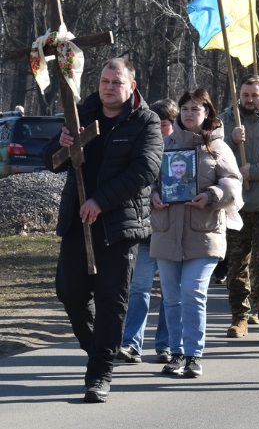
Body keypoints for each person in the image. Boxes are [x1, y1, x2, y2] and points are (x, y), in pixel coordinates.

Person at [42, 58, 163, 403]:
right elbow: (49, 161)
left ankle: (99, 373)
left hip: (119, 225)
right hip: (77, 221)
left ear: (131, 86)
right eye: (105, 81)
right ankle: (98, 348)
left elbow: (145, 171)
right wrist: (62, 144)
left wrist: (100, 200)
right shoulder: (80, 114)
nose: (110, 87)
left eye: (117, 82)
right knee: (70, 294)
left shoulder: (145, 121)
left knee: (112, 300)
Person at [151, 88, 242, 379]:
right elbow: (148, 180)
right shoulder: (163, 144)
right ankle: (176, 353)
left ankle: (193, 355)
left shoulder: (218, 147)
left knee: (192, 292)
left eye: (196, 109)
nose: (189, 114)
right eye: (185, 108)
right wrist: (153, 195)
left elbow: (233, 185)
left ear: (207, 113)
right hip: (167, 232)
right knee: (171, 297)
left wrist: (212, 195)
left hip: (204, 234)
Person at [219, 74, 259, 340]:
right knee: (236, 265)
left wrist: (253, 171)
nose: (249, 100)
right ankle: (239, 317)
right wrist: (231, 141)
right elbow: (213, 159)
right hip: (235, 206)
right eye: (244, 95)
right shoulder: (226, 121)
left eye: (254, 95)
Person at [117, 98, 176, 366]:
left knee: (169, 292)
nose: (158, 129)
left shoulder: (182, 150)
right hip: (144, 231)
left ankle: (165, 345)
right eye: (155, 123)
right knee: (138, 288)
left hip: (171, 231)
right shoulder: (140, 147)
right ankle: (131, 343)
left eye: (164, 124)